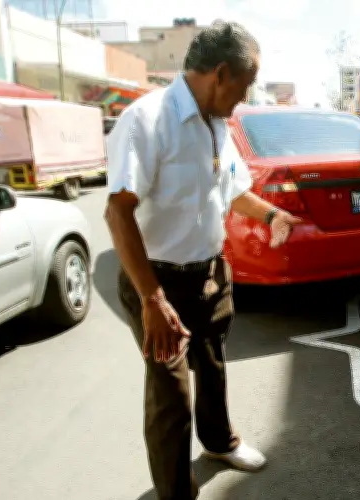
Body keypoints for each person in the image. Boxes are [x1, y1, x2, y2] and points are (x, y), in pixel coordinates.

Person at [104, 21, 300, 500]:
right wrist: (152, 299)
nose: (246, 95)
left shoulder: (217, 125)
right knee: (171, 395)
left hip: (209, 273)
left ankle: (219, 442)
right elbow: (117, 212)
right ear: (221, 73)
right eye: (245, 83)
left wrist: (272, 214)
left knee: (212, 367)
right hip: (158, 282)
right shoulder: (147, 120)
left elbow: (231, 190)